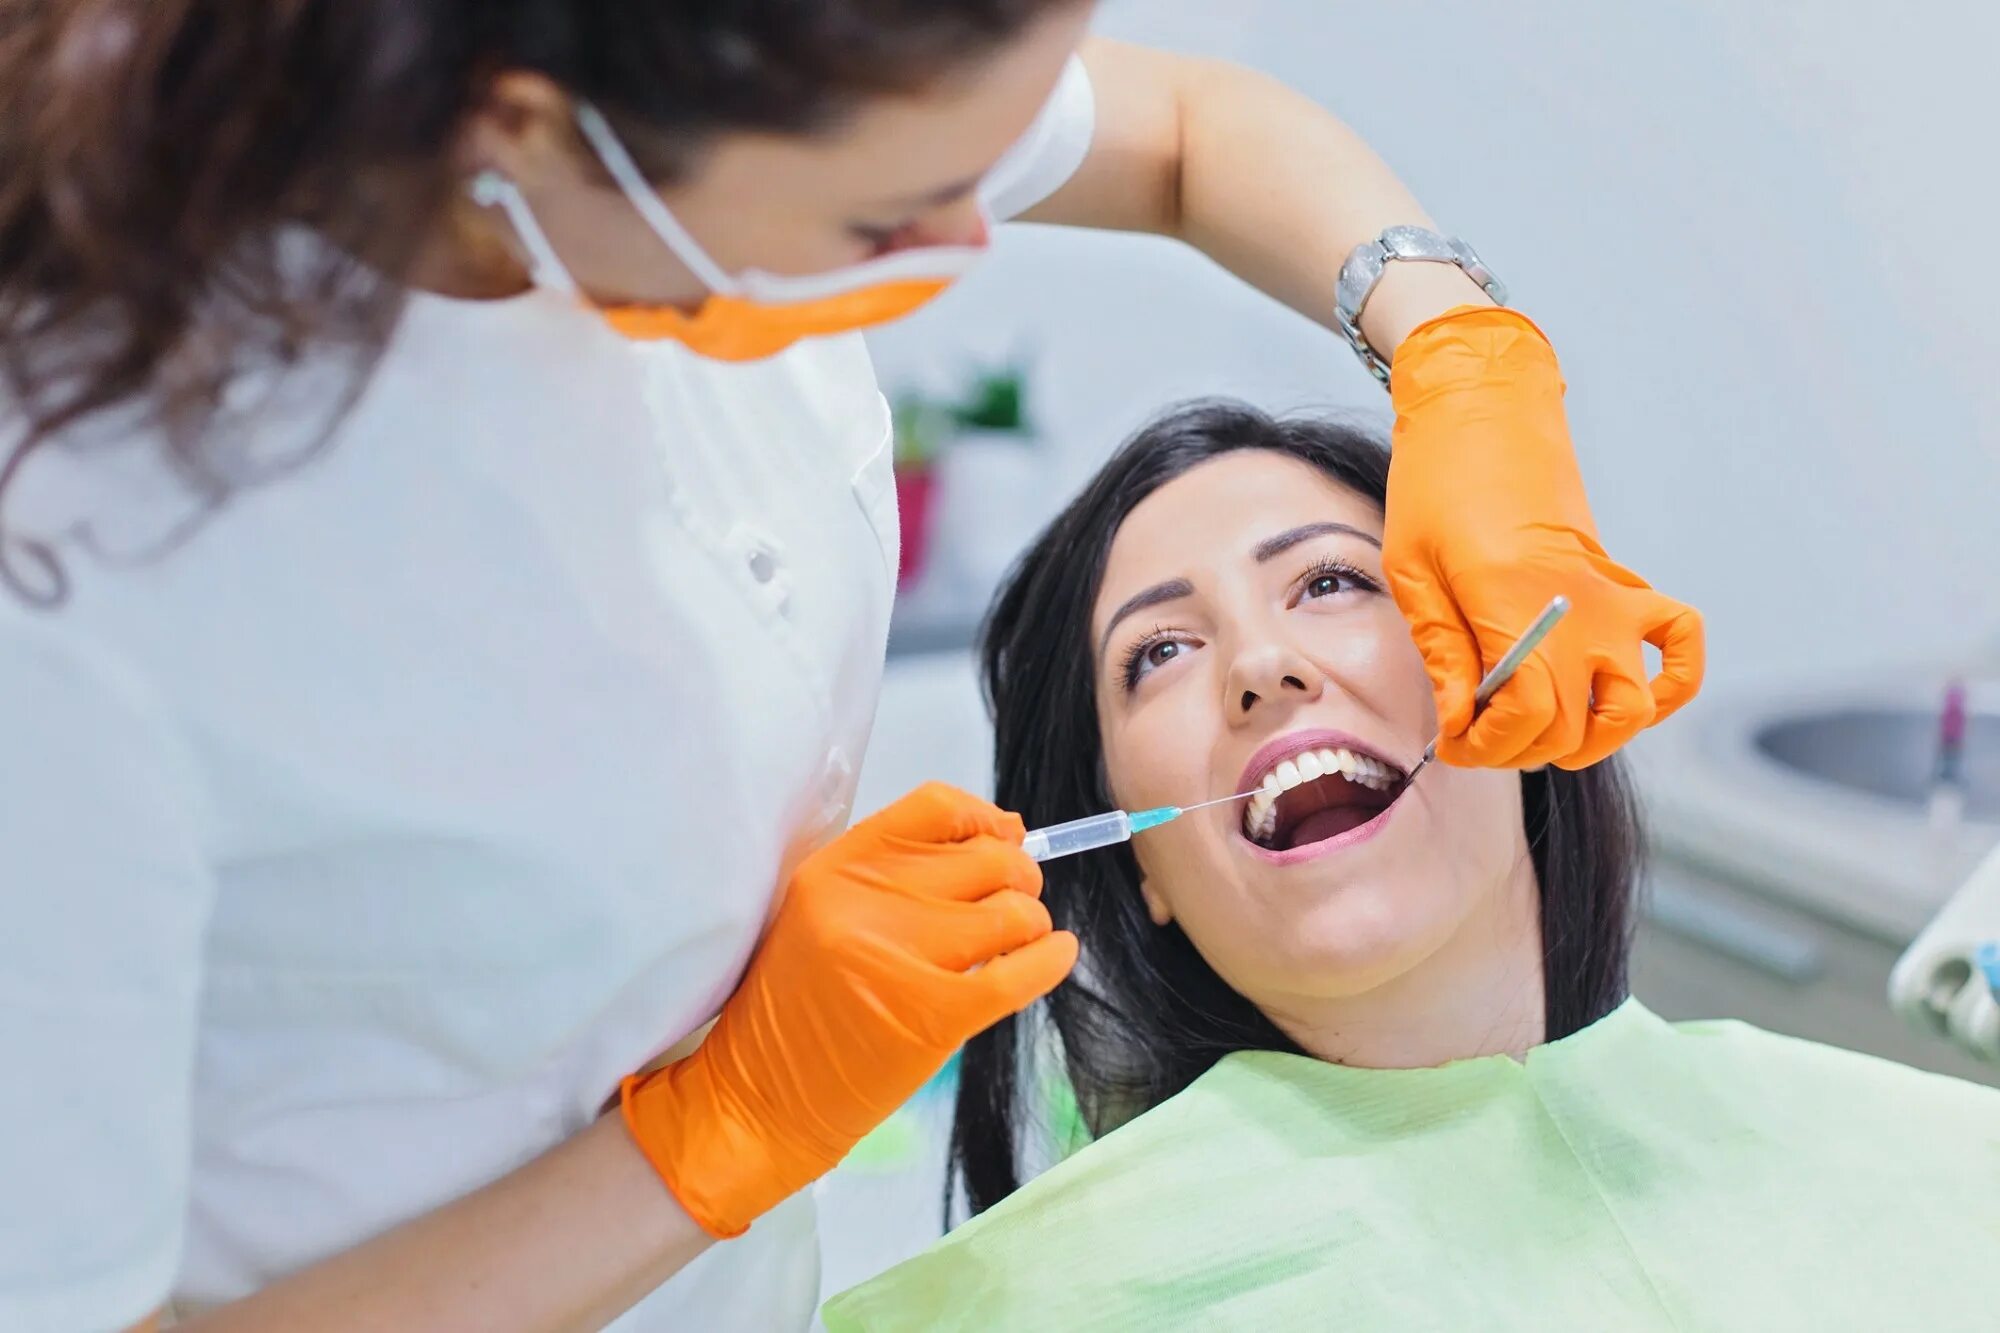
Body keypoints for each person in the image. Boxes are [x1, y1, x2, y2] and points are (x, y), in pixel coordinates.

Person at [0, 4, 1702, 1331]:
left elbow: (1187, 136)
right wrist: (702, 1135)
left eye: (1333, 579)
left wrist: (1463, 349)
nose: (974, 240)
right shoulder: (83, 588)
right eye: (891, 206)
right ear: (525, 124)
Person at [824, 404, 2000, 1331]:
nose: (1261, 662)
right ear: (1142, 875)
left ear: (1508, 691)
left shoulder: (1944, 1163)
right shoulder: (1040, 1303)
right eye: (1160, 651)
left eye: (1328, 581)